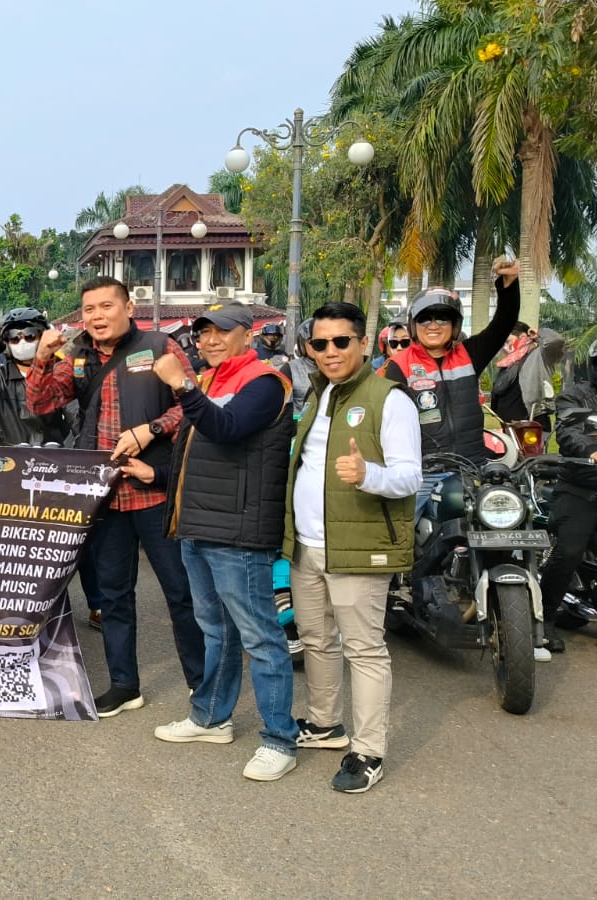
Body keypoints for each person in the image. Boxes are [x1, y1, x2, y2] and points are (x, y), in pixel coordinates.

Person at [26, 276, 203, 717]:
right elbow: (42, 404)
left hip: (154, 488)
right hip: (103, 493)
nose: (97, 316)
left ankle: (203, 684)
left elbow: (191, 402)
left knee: (181, 592)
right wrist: (42, 359)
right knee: (113, 596)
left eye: (106, 306)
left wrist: (151, 430)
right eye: (89, 309)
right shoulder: (77, 356)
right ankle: (124, 685)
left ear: (128, 308)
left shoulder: (160, 346)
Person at [150, 302, 300, 782]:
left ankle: (279, 739)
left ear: (247, 335)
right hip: (199, 525)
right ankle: (211, 717)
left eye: (221, 331)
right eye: (203, 333)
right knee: (216, 629)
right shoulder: (213, 379)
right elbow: (192, 452)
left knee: (260, 637)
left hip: (238, 531)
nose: (210, 340)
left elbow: (227, 429)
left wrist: (182, 385)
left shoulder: (265, 381)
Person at [284, 302, 421, 793]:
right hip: (308, 546)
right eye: (320, 343)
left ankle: (368, 751)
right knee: (316, 639)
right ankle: (325, 724)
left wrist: (368, 475)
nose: (330, 351)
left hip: (359, 547)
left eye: (341, 341)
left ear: (363, 343)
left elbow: (410, 476)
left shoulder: (390, 400)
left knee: (364, 649)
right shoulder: (318, 393)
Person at [383, 258, 520, 462]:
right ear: (413, 325)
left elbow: (504, 323)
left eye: (442, 318)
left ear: (454, 325)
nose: (433, 325)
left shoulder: (469, 353)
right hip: (425, 469)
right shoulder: (399, 365)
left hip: (473, 465)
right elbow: (392, 423)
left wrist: (509, 283)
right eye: (425, 319)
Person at [538, 335, 597, 658]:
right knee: (569, 550)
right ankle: (544, 619)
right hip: (583, 487)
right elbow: (569, 431)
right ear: (593, 366)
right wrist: (595, 451)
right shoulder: (574, 396)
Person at [0, 308, 68, 446]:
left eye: (30, 335)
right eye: (14, 338)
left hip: (53, 456)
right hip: (4, 455)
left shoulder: (59, 375)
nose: (22, 342)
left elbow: (76, 415)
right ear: (6, 342)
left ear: (42, 338)